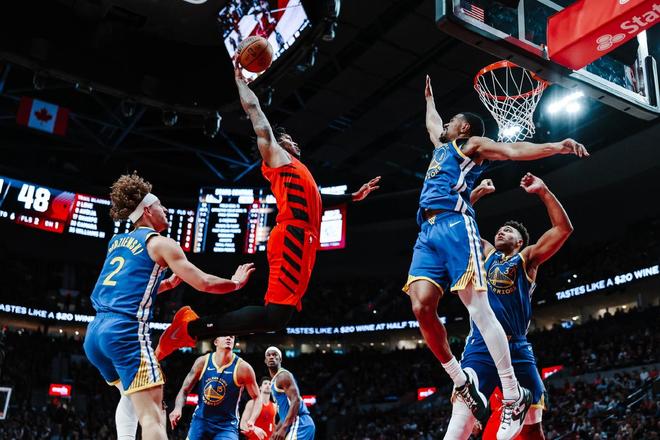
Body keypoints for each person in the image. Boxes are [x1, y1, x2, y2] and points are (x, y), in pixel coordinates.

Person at [403, 75, 588, 439]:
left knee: (531, 429)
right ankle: (461, 381)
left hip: (510, 333)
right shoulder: (442, 149)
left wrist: (557, 147)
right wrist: (428, 100)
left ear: (464, 128)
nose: (446, 124)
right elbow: (433, 125)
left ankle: (513, 395)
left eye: (453, 120)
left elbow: (514, 150)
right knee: (421, 306)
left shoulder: (472, 145)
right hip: (429, 231)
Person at [155, 61, 380, 359]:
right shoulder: (277, 156)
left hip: (302, 239)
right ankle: (189, 329)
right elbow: (255, 112)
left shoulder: (299, 172)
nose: (293, 141)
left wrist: (352, 197)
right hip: (293, 238)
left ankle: (190, 329)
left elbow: (317, 199)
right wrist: (241, 82)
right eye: (287, 139)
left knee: (277, 319)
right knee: (275, 315)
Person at [83, 173, 255, 440]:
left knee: (129, 395)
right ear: (147, 210)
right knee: (153, 415)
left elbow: (124, 289)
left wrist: (165, 285)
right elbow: (204, 283)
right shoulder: (161, 244)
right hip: (124, 333)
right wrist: (235, 283)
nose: (165, 210)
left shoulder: (116, 242)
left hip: (95, 334)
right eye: (160, 205)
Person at [443, 173, 573, 440]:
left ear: (520, 242)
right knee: (462, 417)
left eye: (509, 231)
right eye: (500, 229)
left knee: (533, 426)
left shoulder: (527, 258)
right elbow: (455, 224)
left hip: (517, 347)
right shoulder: (486, 253)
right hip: (481, 345)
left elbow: (563, 229)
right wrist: (476, 194)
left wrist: (543, 191)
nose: (501, 231)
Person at [168, 336, 264, 440]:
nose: (229, 338)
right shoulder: (202, 362)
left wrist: (252, 420)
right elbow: (184, 390)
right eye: (225, 335)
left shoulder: (243, 368)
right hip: (201, 421)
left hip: (227, 425)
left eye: (232, 336)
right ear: (215, 342)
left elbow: (257, 397)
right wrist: (177, 408)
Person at [265, 347, 315, 440]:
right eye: (269, 355)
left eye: (275, 355)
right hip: (298, 423)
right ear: (265, 360)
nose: (271, 357)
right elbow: (284, 414)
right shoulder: (274, 381)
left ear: (280, 359)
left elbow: (296, 400)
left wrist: (283, 428)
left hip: (299, 422)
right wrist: (276, 432)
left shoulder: (283, 376)